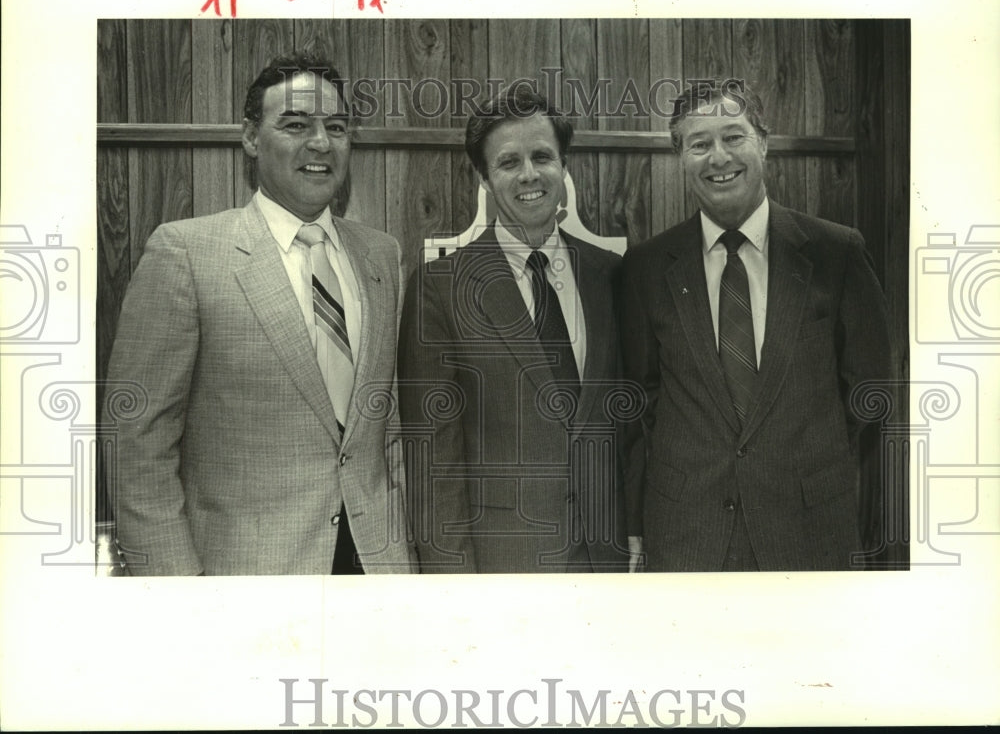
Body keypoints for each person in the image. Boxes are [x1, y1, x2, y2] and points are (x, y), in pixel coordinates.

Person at [105, 51, 415, 575]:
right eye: (295, 124)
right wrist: (177, 591)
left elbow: (389, 428)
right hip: (243, 577)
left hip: (376, 569)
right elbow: (136, 446)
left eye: (335, 126)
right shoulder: (186, 253)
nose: (320, 142)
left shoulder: (382, 255)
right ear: (251, 137)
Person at [620, 81, 891, 572]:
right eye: (699, 144)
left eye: (734, 137)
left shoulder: (837, 253)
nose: (718, 157)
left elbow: (871, 396)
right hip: (687, 536)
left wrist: (805, 468)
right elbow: (640, 403)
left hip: (810, 533)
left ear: (763, 143)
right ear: (680, 158)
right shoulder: (646, 268)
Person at [397, 85, 632, 573]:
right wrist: (452, 582)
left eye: (542, 156)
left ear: (564, 166)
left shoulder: (612, 275)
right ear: (484, 178)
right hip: (503, 562)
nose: (529, 174)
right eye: (508, 162)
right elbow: (433, 460)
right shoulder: (440, 287)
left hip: (606, 559)